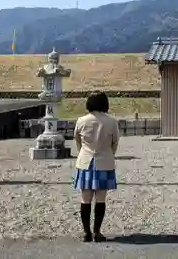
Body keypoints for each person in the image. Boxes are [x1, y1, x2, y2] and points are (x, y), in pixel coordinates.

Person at [73, 91, 120, 242]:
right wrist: (108, 154)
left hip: (85, 161)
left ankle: (86, 232)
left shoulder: (81, 120)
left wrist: (83, 152)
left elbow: (77, 140)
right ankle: (97, 232)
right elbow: (115, 143)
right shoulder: (111, 121)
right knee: (101, 198)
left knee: (85, 198)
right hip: (104, 161)